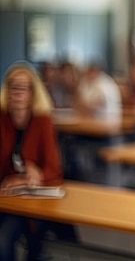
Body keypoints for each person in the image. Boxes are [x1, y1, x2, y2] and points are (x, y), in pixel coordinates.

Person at [0, 61, 63, 260]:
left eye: (24, 87)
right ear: (6, 90)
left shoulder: (42, 121)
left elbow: (54, 169)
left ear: (32, 92)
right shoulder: (1, 119)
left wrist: (33, 176)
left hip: (33, 204)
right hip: (4, 198)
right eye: (13, 85)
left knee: (3, 243)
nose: (18, 92)